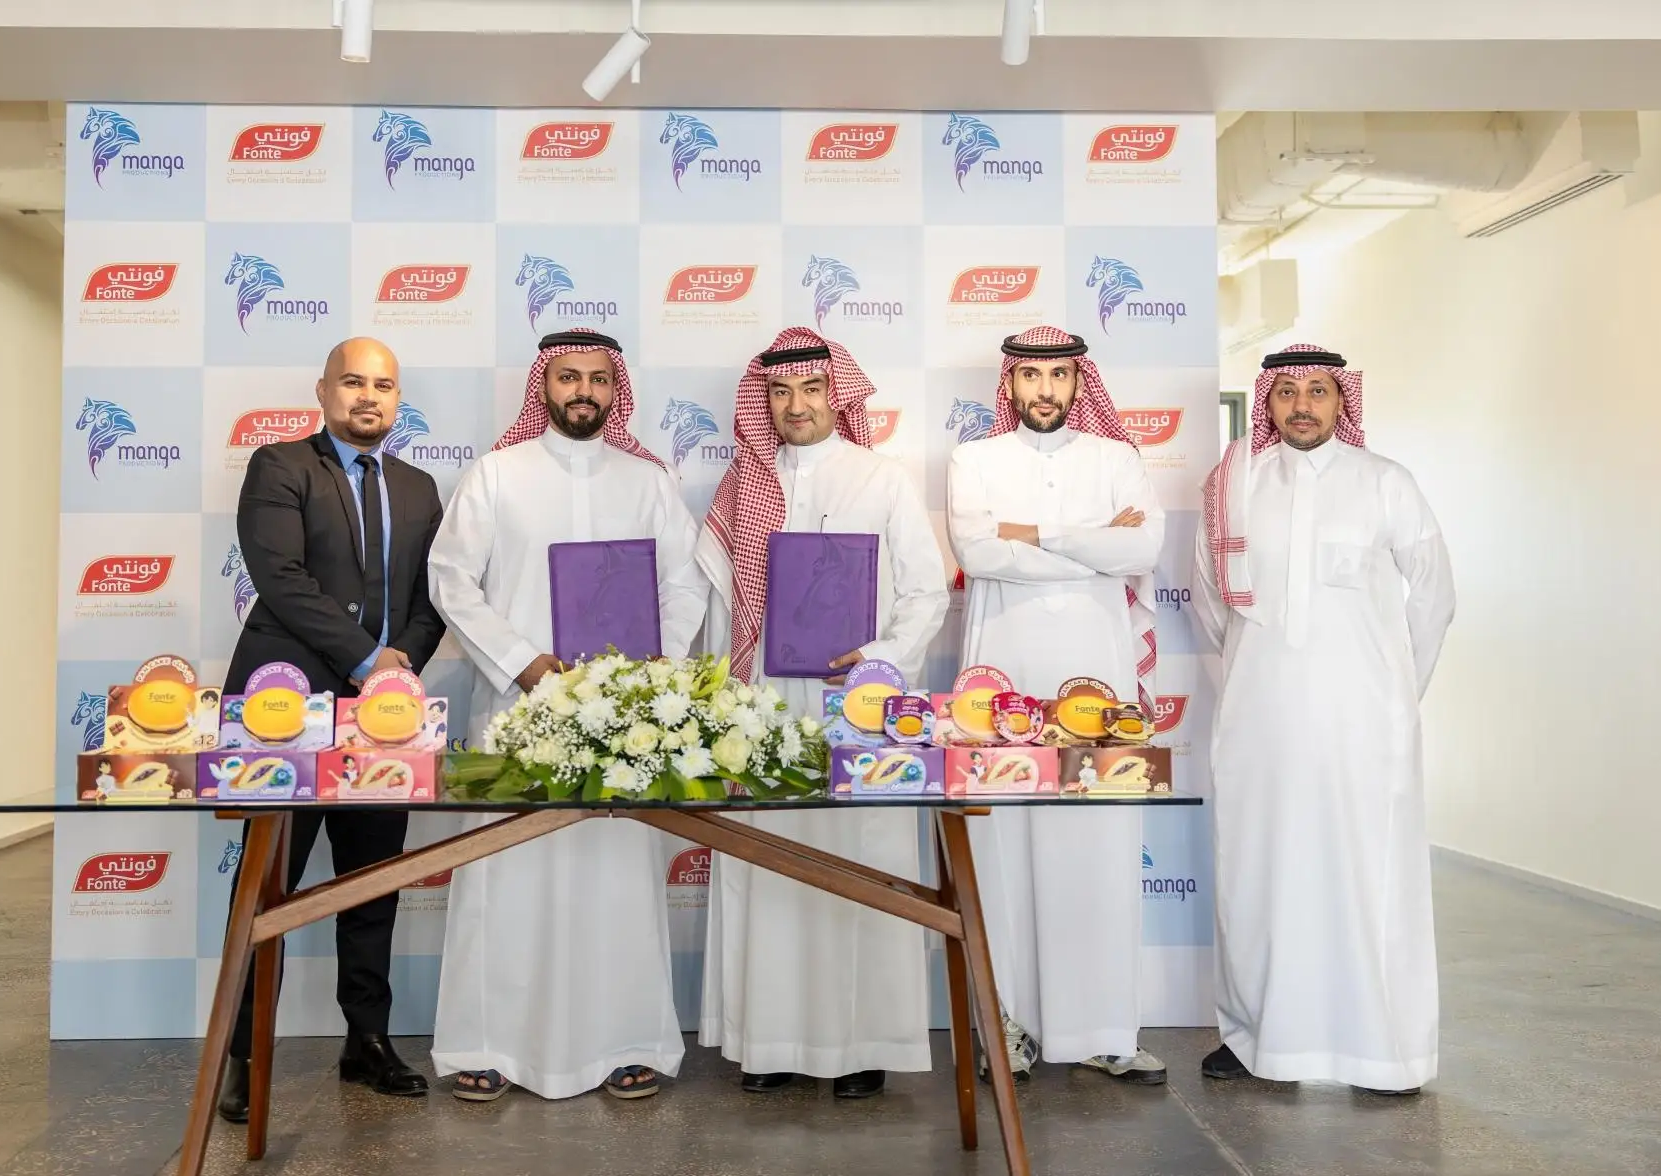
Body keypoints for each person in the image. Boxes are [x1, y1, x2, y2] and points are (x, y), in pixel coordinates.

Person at [427, 329, 707, 1104]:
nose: (583, 391)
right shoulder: (496, 475)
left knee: (615, 880)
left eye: (598, 379)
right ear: (542, 388)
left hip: (624, 718)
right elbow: (451, 580)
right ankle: (486, 1044)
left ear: (617, 392)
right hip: (517, 707)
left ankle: (629, 1042)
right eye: (568, 377)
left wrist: (648, 666)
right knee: (505, 876)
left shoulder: (648, 482)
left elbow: (685, 585)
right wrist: (522, 661)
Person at [1191, 343, 1455, 1094]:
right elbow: (1208, 599)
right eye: (1287, 392)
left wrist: (1395, 694)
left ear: (1342, 400)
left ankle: (1384, 1050)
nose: (1301, 405)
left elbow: (1435, 596)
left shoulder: (1385, 482)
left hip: (1362, 725)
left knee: (1367, 878)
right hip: (1261, 722)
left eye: (1317, 391)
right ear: (1267, 402)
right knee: (1258, 873)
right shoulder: (1234, 485)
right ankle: (1254, 1038)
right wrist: (1253, 680)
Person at [696, 326, 948, 1099]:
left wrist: (877, 660)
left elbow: (926, 592)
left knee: (858, 864)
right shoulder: (742, 486)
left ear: (837, 395)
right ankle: (767, 1041)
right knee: (771, 865)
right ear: (763, 400)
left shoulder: (882, 479)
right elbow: (720, 607)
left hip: (859, 708)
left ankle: (863, 1045)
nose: (795, 405)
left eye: (810, 389)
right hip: (765, 709)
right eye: (779, 392)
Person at [218, 337, 448, 1122]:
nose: (368, 397)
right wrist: (368, 660)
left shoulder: (418, 487)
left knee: (372, 881)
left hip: (386, 719)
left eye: (384, 385)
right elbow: (280, 579)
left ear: (398, 398)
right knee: (265, 887)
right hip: (283, 713)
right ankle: (241, 1053)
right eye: (353, 382)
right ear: (323, 391)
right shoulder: (280, 467)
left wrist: (398, 666)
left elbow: (431, 600)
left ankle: (368, 1042)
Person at [946, 325, 1168, 1085]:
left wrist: (1032, 535)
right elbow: (977, 553)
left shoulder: (1116, 459)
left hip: (1098, 677)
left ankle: (1104, 1030)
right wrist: (1090, 544)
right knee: (1001, 846)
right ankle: (1006, 1027)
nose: (1045, 389)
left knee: (1099, 839)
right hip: (1000, 677)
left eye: (1059, 375)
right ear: (1009, 383)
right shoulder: (973, 460)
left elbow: (1141, 551)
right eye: (1031, 375)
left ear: (1079, 382)